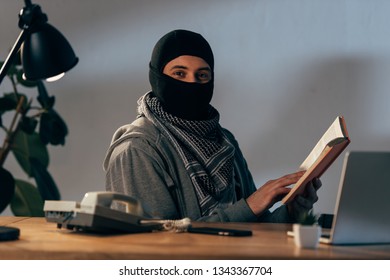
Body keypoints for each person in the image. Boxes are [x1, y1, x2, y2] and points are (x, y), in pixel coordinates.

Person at [103, 29, 321, 222]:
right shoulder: (136, 149)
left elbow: (253, 227)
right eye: (179, 73)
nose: (192, 83)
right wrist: (249, 206)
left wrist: (292, 210)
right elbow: (156, 244)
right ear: (157, 77)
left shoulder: (224, 140)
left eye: (202, 75)